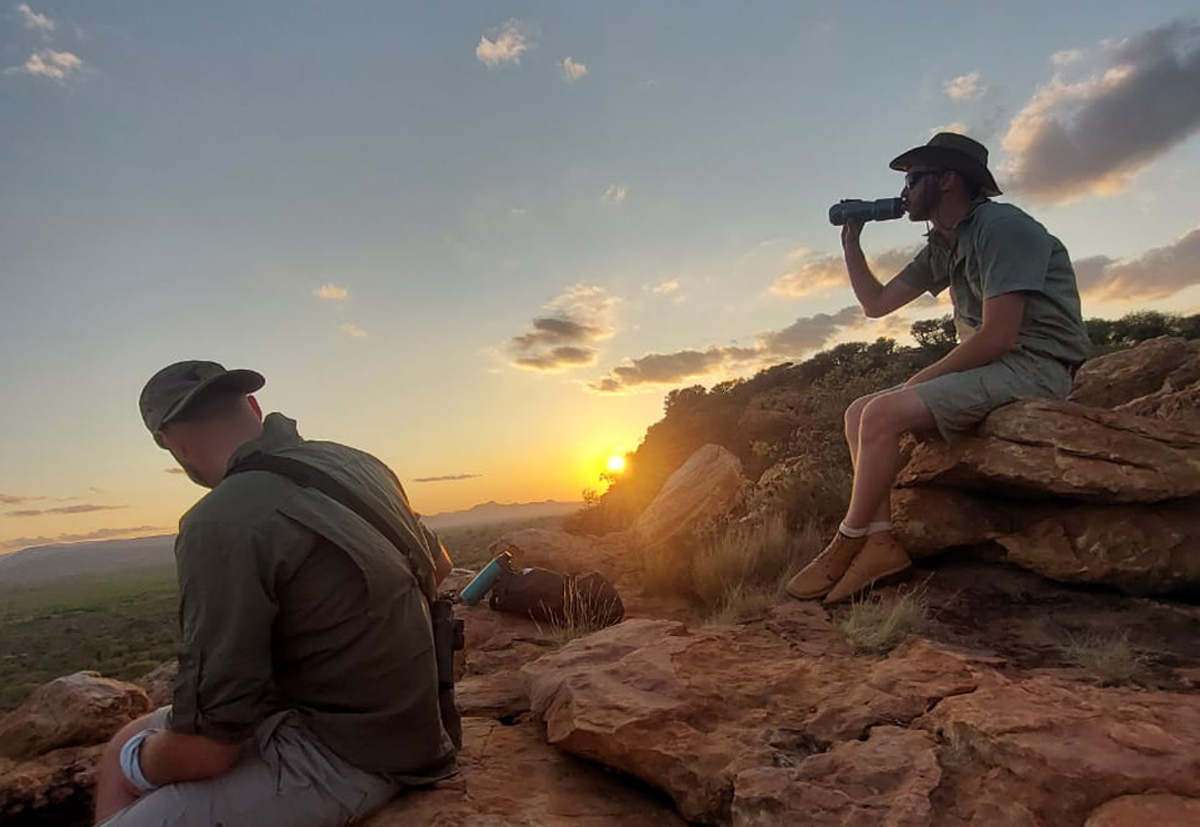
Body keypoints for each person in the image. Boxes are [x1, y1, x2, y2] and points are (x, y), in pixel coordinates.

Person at [94, 360, 458, 827]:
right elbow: (440, 564)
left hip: (352, 757)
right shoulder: (356, 463)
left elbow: (208, 751)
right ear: (252, 404)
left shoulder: (218, 521)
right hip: (406, 720)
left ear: (169, 440)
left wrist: (137, 765)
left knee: (126, 758)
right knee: (125, 740)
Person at [787, 132, 1089, 604]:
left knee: (883, 412)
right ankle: (881, 543)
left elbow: (999, 335)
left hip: (1036, 364)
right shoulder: (945, 244)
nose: (904, 192)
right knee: (857, 412)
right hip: (997, 365)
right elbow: (876, 303)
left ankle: (847, 538)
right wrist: (851, 244)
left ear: (947, 180)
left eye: (913, 179)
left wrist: (917, 381)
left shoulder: (1002, 227)